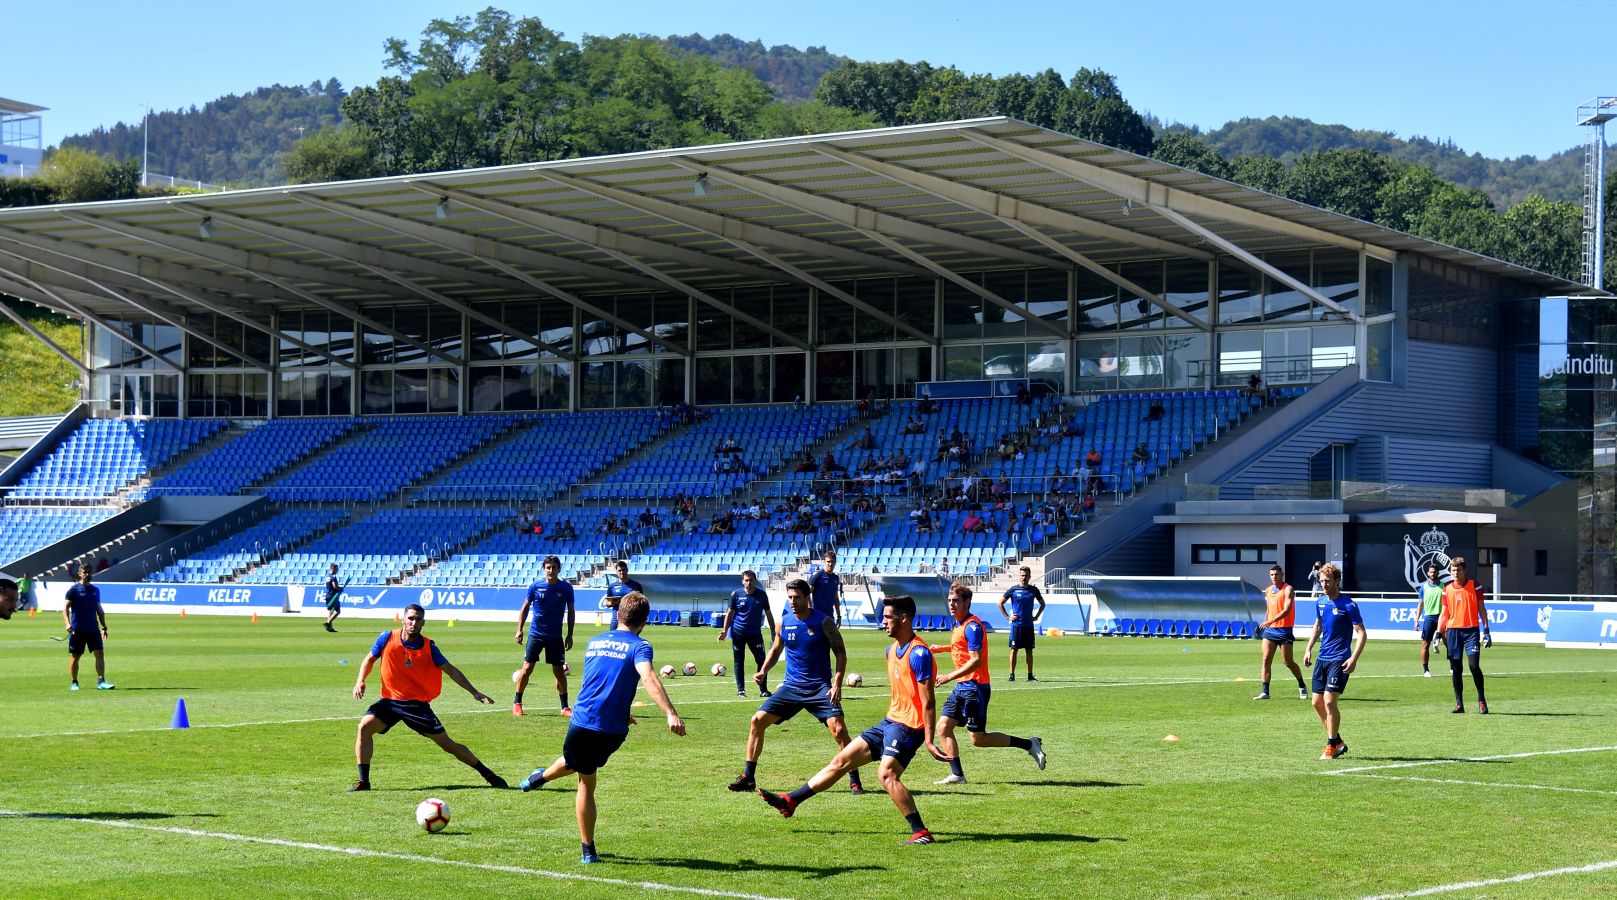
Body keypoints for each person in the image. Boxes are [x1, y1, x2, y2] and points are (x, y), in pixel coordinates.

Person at [757, 595, 950, 844]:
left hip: (909, 727)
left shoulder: (919, 654)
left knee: (887, 775)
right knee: (842, 759)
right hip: (890, 722)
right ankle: (791, 800)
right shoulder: (890, 650)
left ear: (904, 619)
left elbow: (928, 702)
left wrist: (929, 739)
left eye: (888, 617)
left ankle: (921, 832)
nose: (883, 621)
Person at [518, 592, 686, 865]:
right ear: (643, 622)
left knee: (582, 767)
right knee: (585, 775)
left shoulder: (595, 642)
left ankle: (542, 781)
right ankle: (586, 848)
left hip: (582, 720)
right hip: (611, 730)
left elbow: (601, 681)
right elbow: (648, 677)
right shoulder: (640, 646)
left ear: (617, 615)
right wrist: (670, 713)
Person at [727, 578, 864, 795]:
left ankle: (854, 779)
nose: (792, 601)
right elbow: (775, 649)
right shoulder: (784, 622)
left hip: (819, 688)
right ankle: (748, 777)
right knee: (757, 721)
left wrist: (837, 684)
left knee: (838, 729)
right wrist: (763, 670)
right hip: (791, 688)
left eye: (796, 597)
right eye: (789, 597)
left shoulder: (823, 622)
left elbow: (840, 652)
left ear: (807, 598)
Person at [349, 603, 506, 792]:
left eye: (418, 619)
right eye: (411, 618)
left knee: (447, 744)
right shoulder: (388, 637)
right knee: (364, 727)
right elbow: (369, 659)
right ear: (403, 619)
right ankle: (363, 782)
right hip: (390, 701)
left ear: (423, 622)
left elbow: (451, 670)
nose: (414, 622)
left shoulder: (429, 647)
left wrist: (474, 692)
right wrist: (360, 681)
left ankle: (487, 773)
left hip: (416, 705)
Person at [929, 582, 1046, 785]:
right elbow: (962, 646)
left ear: (967, 601)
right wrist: (943, 648)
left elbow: (976, 660)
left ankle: (1029, 744)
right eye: (949, 601)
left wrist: (948, 676)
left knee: (978, 739)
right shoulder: (959, 624)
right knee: (943, 727)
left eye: (956, 600)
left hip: (975, 687)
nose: (952, 604)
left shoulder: (973, 626)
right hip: (962, 687)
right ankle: (957, 774)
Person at [1302, 563, 1366, 760]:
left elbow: (1362, 634)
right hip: (1322, 658)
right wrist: (1308, 648)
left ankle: (1331, 745)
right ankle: (1337, 740)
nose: (1324, 584)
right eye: (1321, 581)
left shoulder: (1349, 605)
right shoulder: (1320, 602)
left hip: (1339, 659)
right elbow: (1318, 625)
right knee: (1316, 702)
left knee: (1329, 701)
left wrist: (1353, 658)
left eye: (1328, 581)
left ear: (1337, 581)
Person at [513, 555, 576, 717]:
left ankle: (565, 707)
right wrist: (519, 629)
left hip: (555, 636)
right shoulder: (535, 587)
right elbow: (525, 608)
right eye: (548, 568)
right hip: (536, 634)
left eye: (554, 568)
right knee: (527, 668)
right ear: (544, 569)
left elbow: (571, 612)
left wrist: (569, 634)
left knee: (559, 671)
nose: (551, 570)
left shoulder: (566, 589)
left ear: (559, 569)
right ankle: (517, 704)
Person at [1436, 557, 1491, 714]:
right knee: (1456, 668)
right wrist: (1439, 632)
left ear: (1464, 570)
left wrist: (1486, 630)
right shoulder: (1446, 589)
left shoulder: (1475, 586)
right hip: (1453, 632)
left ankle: (1481, 700)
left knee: (1473, 666)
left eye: (1458, 570)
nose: (1455, 573)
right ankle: (1459, 704)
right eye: (1452, 570)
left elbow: (1482, 609)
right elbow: (1444, 613)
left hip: (1471, 631)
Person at [718, 570, 777, 698]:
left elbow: (769, 614)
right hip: (738, 632)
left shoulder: (761, 595)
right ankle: (741, 691)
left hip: (755, 634)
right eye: (746, 580)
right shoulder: (736, 595)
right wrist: (724, 630)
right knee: (739, 661)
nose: (749, 583)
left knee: (762, 660)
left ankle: (763, 690)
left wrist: (773, 631)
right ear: (742, 581)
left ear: (755, 581)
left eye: (751, 580)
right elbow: (729, 613)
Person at [1253, 565, 1308, 701]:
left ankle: (1301, 684)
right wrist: (1267, 620)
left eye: (1276, 574)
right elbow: (1269, 608)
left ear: (1282, 574)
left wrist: (1270, 621)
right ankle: (1265, 692)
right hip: (1270, 630)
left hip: (1284, 630)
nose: (1274, 577)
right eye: (1272, 575)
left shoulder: (1288, 589)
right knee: (1266, 659)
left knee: (1288, 662)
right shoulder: (1268, 590)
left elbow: (1286, 611)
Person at [63, 564, 113, 691]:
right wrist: (67, 623)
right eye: (85, 572)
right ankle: (74, 682)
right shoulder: (73, 590)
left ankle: (101, 681)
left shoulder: (95, 590)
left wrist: (104, 627)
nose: (87, 574)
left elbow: (99, 610)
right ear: (79, 573)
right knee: (76, 657)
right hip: (77, 629)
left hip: (93, 629)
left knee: (99, 654)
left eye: (89, 572)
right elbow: (65, 608)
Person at [998, 566, 1046, 682]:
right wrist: (1008, 617)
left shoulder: (1033, 590)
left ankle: (1030, 675)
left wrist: (1036, 616)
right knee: (1014, 650)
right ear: (1019, 576)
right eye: (1022, 575)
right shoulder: (1013, 590)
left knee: (1029, 650)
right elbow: (1000, 603)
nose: (1023, 577)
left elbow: (1042, 604)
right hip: (1016, 626)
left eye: (1026, 575)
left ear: (1029, 576)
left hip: (1028, 626)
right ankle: (1011, 674)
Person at [1413, 563, 1445, 678]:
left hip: (1442, 617)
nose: (1433, 574)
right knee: (1425, 644)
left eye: (1435, 572)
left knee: (1450, 643)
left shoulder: (1444, 586)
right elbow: (1420, 605)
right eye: (1431, 572)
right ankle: (1426, 670)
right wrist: (1417, 620)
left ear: (1438, 573)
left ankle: (1453, 667)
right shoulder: (1424, 587)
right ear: (1428, 573)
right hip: (1429, 618)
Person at [808, 551, 844, 627]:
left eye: (832, 562)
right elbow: (806, 593)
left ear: (835, 563)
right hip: (817, 615)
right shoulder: (818, 575)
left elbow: (836, 598)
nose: (830, 564)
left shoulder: (835, 578)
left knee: (831, 639)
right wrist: (810, 610)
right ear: (824, 562)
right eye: (828, 561)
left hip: (830, 616)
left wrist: (839, 616)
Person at [604, 560, 643, 631]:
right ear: (616, 572)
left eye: (623, 570)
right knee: (613, 641)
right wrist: (620, 601)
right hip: (616, 619)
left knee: (630, 640)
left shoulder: (636, 586)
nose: (621, 572)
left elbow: (641, 602)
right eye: (619, 570)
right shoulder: (612, 587)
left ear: (627, 570)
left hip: (631, 619)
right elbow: (607, 603)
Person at [323, 563, 344, 633]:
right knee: (338, 611)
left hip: (328, 595)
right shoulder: (333, 577)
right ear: (333, 568)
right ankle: (328, 622)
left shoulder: (327, 577)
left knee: (330, 611)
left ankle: (330, 627)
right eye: (337, 569)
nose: (337, 570)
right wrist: (340, 588)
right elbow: (335, 586)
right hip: (333, 596)